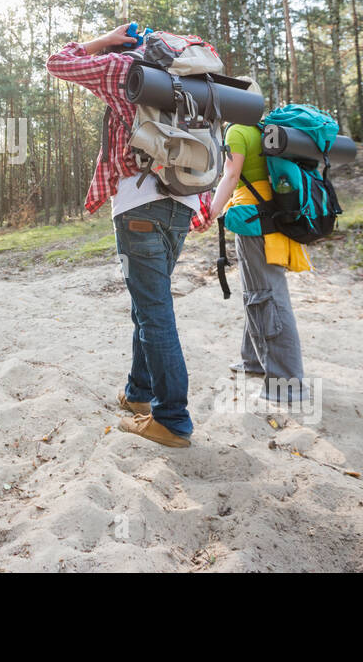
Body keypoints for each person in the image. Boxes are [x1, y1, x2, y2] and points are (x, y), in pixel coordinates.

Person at [46, 23, 213, 449]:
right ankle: (139, 394)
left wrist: (101, 40)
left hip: (138, 203)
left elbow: (59, 62)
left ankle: (172, 418)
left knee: (155, 310)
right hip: (185, 201)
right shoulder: (196, 80)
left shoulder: (121, 67)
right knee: (149, 303)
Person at [206, 102, 309, 405]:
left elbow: (230, 175)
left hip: (253, 221)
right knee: (259, 292)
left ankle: (287, 386)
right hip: (272, 218)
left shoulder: (238, 130)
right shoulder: (262, 131)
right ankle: (252, 360)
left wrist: (210, 212)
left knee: (267, 295)